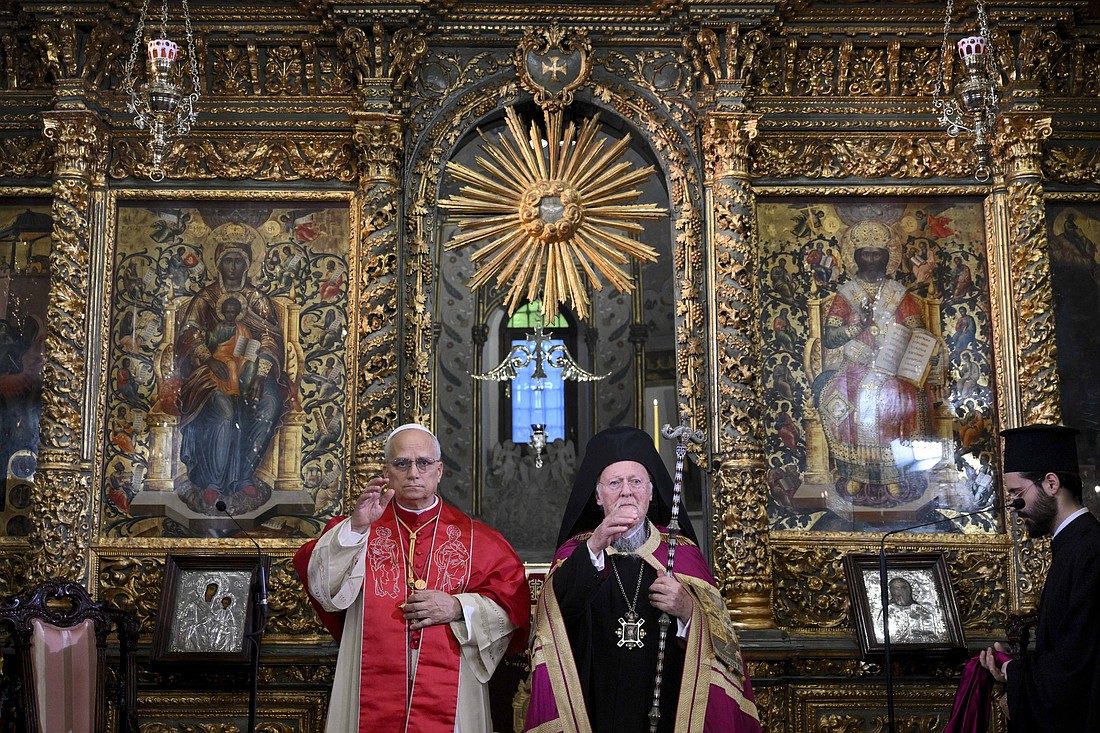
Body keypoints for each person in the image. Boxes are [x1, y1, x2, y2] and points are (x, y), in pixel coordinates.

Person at [294, 423, 530, 733]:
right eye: (402, 463)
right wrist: (357, 527)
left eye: (424, 463)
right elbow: (324, 587)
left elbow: (512, 604)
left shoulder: (478, 539)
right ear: (386, 471)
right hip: (370, 679)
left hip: (451, 688)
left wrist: (458, 608)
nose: (413, 473)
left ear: (439, 471)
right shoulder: (358, 528)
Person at [524, 426, 762, 733]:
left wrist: (688, 610)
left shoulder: (682, 554)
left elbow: (722, 643)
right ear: (597, 496)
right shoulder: (578, 552)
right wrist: (594, 546)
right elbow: (554, 618)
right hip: (592, 704)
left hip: (668, 705)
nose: (626, 491)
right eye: (614, 483)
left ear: (650, 492)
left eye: (635, 481)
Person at [978, 424, 1100, 732]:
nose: (1013, 507)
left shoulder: (1089, 551)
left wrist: (1014, 673)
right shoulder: (1073, 545)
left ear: (1051, 483)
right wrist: (1015, 669)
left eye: (1017, 493)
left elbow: (1077, 666)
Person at [810, 220, 938, 507]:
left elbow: (917, 330)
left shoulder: (899, 294)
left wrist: (914, 345)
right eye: (865, 254)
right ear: (855, 257)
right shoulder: (846, 294)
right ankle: (856, 472)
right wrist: (859, 326)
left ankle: (893, 473)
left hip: (892, 368)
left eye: (876, 254)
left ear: (886, 257)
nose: (871, 259)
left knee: (895, 398)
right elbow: (831, 338)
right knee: (841, 397)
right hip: (855, 366)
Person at [174, 223, 294, 508]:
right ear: (217, 263)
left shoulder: (256, 300)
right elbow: (189, 334)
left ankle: (244, 476)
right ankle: (212, 482)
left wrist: (260, 375)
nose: (233, 267)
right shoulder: (206, 299)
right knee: (224, 412)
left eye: (238, 261)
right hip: (211, 369)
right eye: (227, 260)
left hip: (253, 369)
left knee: (269, 404)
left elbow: (271, 338)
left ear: (248, 264)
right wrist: (208, 357)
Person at [877, 576, 942, 643]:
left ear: (909, 590)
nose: (900, 591)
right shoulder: (889, 610)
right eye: (896, 588)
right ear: (892, 592)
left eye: (903, 588)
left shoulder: (919, 609)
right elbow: (882, 631)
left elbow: (931, 630)